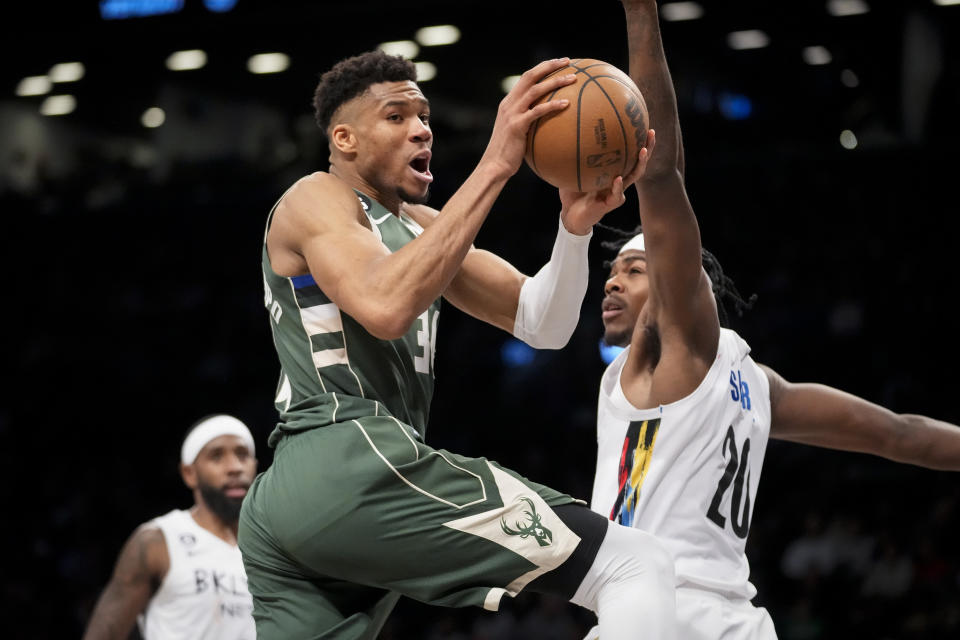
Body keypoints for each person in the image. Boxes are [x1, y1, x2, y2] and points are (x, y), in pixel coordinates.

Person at [238, 50, 677, 640]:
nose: (422, 128)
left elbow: (542, 322)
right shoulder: (316, 196)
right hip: (347, 457)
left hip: (293, 508)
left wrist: (574, 230)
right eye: (396, 116)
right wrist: (497, 161)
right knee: (635, 565)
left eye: (424, 115)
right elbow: (386, 306)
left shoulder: (419, 227)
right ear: (343, 138)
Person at [587, 1, 960, 638]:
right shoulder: (757, 386)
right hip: (737, 620)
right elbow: (899, 435)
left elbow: (660, 169)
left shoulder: (681, 351)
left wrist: (640, 16)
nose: (613, 282)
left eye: (633, 269)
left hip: (661, 613)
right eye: (612, 272)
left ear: (679, 284)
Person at [83, 414, 258, 640]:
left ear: (255, 466)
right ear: (190, 473)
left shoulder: (274, 549)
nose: (234, 467)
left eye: (242, 455)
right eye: (216, 457)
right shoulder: (158, 541)